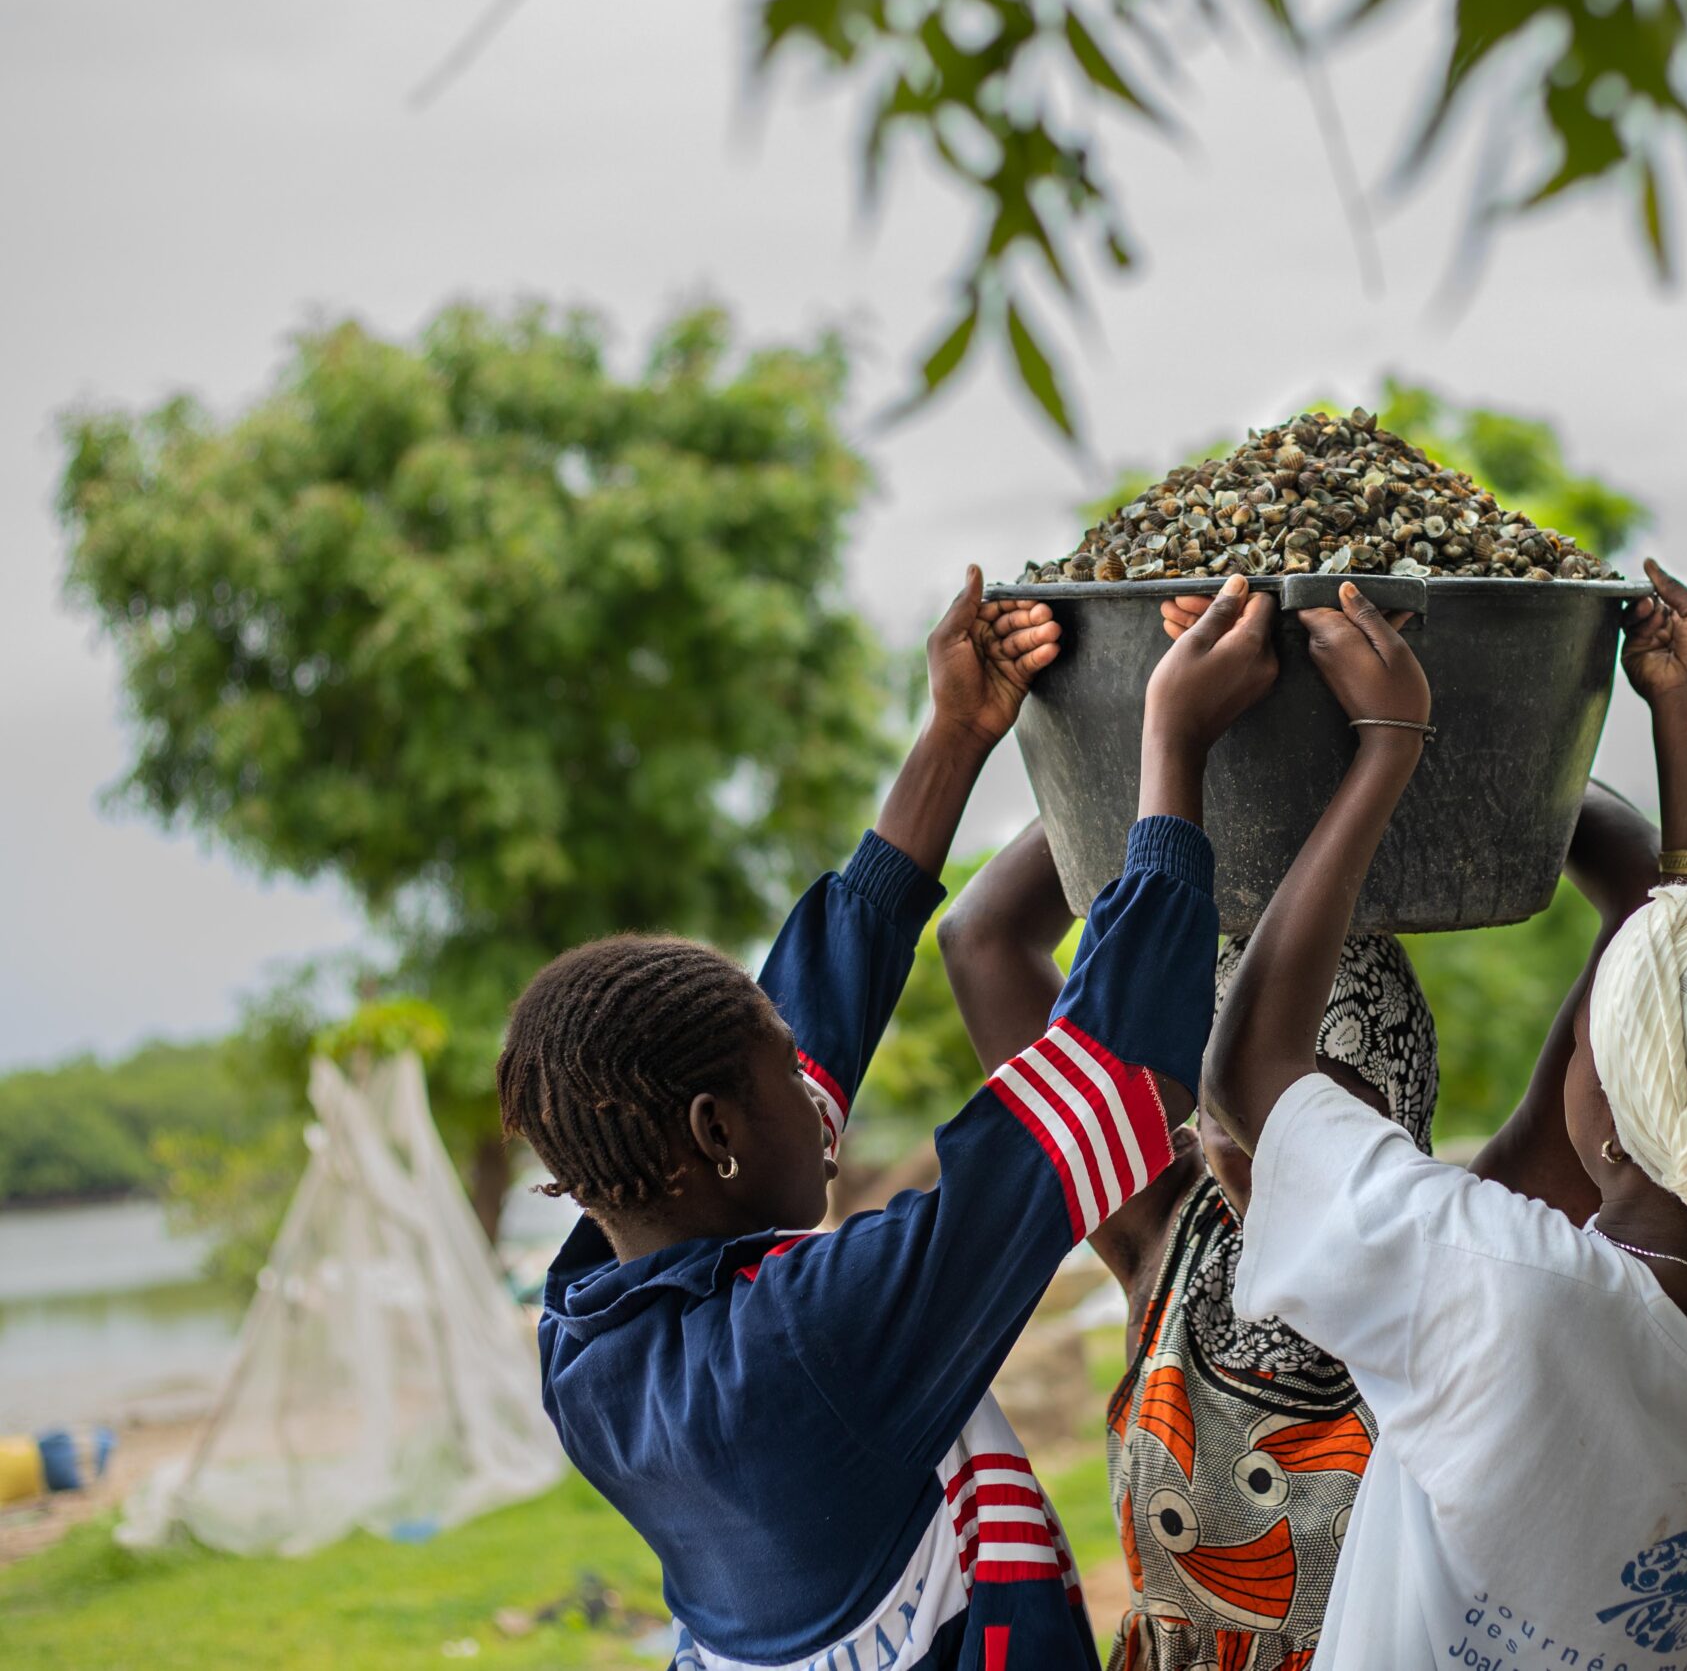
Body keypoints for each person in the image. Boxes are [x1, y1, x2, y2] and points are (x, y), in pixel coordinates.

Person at [1202, 565, 1687, 1671]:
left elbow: (1251, 1071)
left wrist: (1388, 744)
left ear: (1623, 1120)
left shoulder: (1512, 1299)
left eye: (1582, 1035)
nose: (1564, 1046)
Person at [500, 569, 1279, 1671]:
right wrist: (1172, 743)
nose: (820, 1102)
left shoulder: (590, 1333)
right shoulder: (812, 1338)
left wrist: (956, 734)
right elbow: (1105, 1080)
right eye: (783, 1079)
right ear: (717, 1133)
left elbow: (800, 1028)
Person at [940, 820, 1441, 1671]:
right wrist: (1169, 753)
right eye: (1224, 1093)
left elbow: (1663, 998)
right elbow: (984, 938)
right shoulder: (1171, 1234)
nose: (1254, 1138)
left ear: (1397, 1096)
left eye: (1304, 1101)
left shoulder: (1481, 1266)